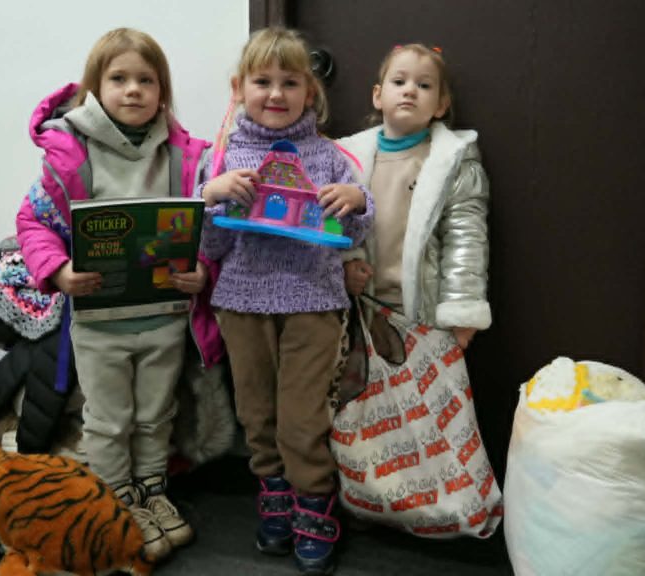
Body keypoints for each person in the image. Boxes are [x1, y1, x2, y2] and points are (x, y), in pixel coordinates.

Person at [15, 27, 223, 562]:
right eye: (119, 79)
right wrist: (57, 271)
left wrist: (201, 269)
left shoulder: (188, 157)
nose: (133, 90)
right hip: (99, 320)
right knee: (108, 420)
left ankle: (151, 491)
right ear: (95, 87)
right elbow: (33, 221)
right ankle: (114, 500)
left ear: (162, 90)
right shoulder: (69, 153)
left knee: (157, 413)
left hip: (164, 315)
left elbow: (210, 228)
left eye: (146, 80)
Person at [200, 27, 374, 576]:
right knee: (257, 413)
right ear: (239, 88)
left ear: (310, 93)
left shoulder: (328, 156)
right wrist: (212, 198)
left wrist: (356, 202)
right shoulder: (223, 157)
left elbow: (356, 231)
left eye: (290, 82)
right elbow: (211, 246)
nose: (275, 94)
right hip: (241, 302)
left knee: (302, 418)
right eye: (262, 81)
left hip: (313, 302)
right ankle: (273, 492)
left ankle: (314, 500)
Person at [339, 43, 491, 374]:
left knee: (422, 414)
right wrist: (345, 266)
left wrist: (462, 311)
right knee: (367, 411)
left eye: (424, 85)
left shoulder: (451, 161)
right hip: (361, 306)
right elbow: (331, 224)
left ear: (440, 105)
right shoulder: (346, 158)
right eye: (399, 82)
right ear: (378, 96)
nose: (410, 90)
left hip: (422, 309)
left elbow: (466, 236)